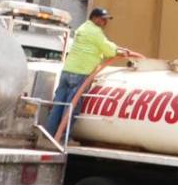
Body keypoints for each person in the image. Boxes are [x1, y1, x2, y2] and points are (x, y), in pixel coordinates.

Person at [43, 7, 131, 139]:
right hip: (81, 73)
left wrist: (116, 49)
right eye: (102, 19)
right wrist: (118, 51)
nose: (104, 22)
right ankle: (62, 138)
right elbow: (107, 49)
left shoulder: (82, 28)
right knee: (71, 107)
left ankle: (49, 135)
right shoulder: (95, 32)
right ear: (94, 18)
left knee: (59, 104)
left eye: (106, 20)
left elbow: (100, 46)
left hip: (67, 71)